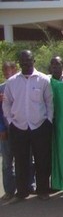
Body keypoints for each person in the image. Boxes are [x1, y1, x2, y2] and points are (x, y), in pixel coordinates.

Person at [3, 50, 54, 203]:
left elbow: (49, 102)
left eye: (29, 60)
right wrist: (10, 121)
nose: (26, 63)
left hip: (40, 126)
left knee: (42, 159)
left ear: (34, 61)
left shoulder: (44, 80)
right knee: (20, 160)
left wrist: (48, 121)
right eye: (23, 61)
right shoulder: (12, 82)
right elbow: (6, 104)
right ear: (19, 62)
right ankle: (22, 192)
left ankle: (43, 190)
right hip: (18, 127)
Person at [0, 61, 18, 200]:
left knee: (25, 159)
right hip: (6, 129)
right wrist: (1, 129)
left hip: (22, 128)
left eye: (9, 70)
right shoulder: (1, 88)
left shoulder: (21, 86)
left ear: (15, 69)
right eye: (4, 71)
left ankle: (28, 186)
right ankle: (9, 190)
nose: (6, 74)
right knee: (7, 161)